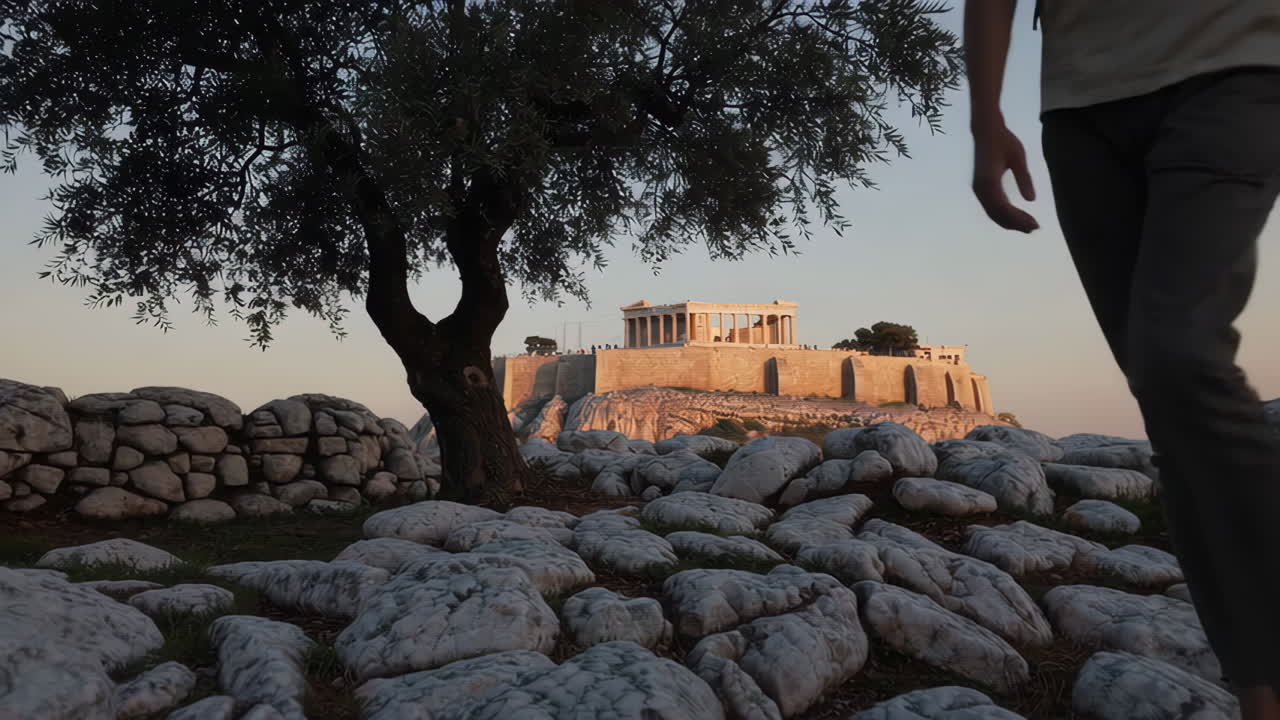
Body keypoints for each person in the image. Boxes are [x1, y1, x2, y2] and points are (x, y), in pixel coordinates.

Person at [965, 2, 1280, 717]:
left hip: (1233, 62)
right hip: (1082, 103)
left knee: (1181, 359)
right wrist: (986, 119)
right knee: (1171, 413)